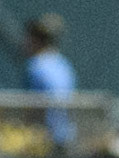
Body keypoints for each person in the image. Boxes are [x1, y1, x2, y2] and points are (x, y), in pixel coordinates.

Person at [21, 12, 73, 146]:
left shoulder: (35, 66)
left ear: (36, 40)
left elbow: (33, 109)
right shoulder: (63, 63)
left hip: (44, 138)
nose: (25, 42)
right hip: (66, 135)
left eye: (28, 38)